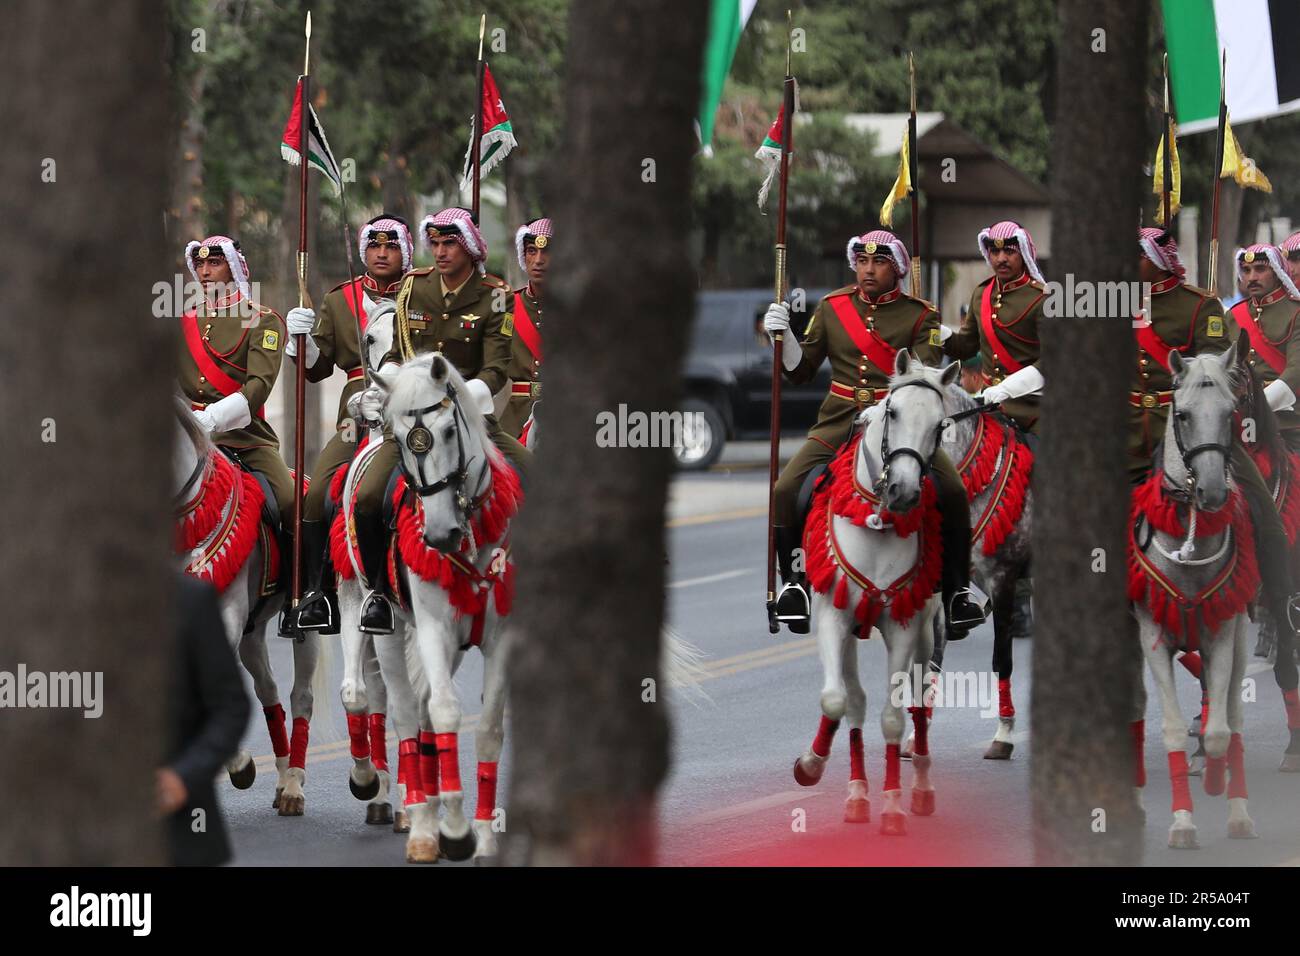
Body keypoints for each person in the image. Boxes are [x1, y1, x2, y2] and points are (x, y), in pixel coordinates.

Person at [763, 228, 986, 638]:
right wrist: (786, 337)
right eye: (862, 262)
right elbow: (800, 372)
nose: (868, 270)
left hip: (900, 423)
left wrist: (889, 408)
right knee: (785, 490)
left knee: (952, 491)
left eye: (878, 262)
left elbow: (925, 376)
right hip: (838, 420)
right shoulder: (832, 308)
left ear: (897, 268)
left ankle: (957, 594)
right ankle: (795, 586)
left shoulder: (922, 315)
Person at [349, 207, 530, 634]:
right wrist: (386, 386)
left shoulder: (496, 294)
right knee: (368, 497)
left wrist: (457, 400)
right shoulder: (414, 287)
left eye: (450, 244)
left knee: (535, 478)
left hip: (472, 419)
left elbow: (496, 370)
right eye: (435, 243)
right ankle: (377, 592)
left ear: (469, 247)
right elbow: (396, 353)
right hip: (415, 425)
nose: (441, 251)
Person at [284, 215, 415, 633]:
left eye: (390, 246)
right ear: (363, 252)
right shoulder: (340, 299)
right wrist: (298, 343)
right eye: (374, 246)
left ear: (404, 252)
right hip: (354, 409)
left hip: (413, 406)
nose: (381, 253)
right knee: (318, 490)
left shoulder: (423, 296)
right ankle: (319, 593)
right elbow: (318, 368)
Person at [160, 574, 250, 866]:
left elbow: (231, 705)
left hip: (181, 828)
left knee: (296, 525)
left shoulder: (190, 600)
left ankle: (307, 595)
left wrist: (184, 777)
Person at [943, 221, 1046, 434]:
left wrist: (1008, 388)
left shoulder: (1042, 298)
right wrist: (935, 333)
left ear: (1023, 253)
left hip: (1033, 410)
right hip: (989, 407)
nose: (1001, 258)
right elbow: (965, 347)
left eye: (1009, 251)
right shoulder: (981, 293)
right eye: (994, 251)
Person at [499, 217, 552, 439]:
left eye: (548, 252)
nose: (538, 260)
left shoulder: (578, 312)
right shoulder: (504, 306)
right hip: (513, 421)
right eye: (531, 251)